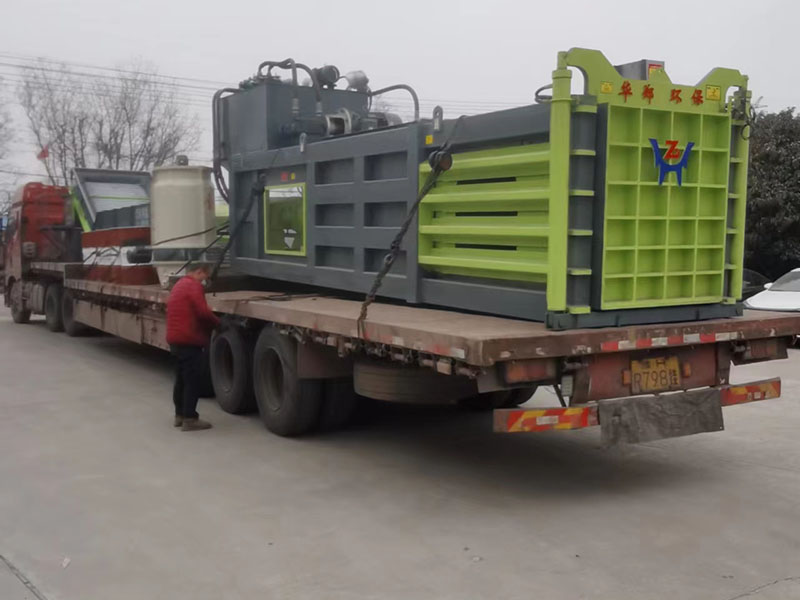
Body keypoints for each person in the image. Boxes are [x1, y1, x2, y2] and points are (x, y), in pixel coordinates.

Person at [166, 262, 220, 431]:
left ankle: (179, 415)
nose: (205, 281)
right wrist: (219, 324)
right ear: (199, 272)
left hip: (175, 339)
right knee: (192, 380)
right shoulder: (194, 286)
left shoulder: (178, 285)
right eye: (205, 277)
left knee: (181, 379)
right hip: (189, 339)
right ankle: (190, 418)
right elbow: (203, 312)